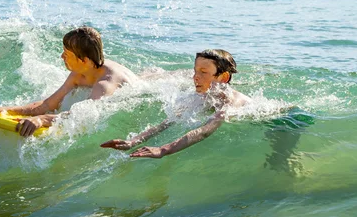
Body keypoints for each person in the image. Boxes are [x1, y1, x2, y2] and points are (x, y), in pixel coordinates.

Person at [0, 26, 136, 137]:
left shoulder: (105, 85)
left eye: (66, 54)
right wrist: (9, 110)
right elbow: (48, 104)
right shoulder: (78, 74)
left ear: (83, 60)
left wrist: (41, 120)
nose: (61, 57)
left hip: (138, 87)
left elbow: (81, 117)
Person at [101, 49, 251, 158]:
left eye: (203, 72)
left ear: (223, 77)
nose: (195, 78)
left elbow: (206, 130)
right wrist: (133, 141)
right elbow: (167, 123)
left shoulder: (231, 102)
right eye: (195, 71)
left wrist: (164, 149)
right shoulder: (202, 97)